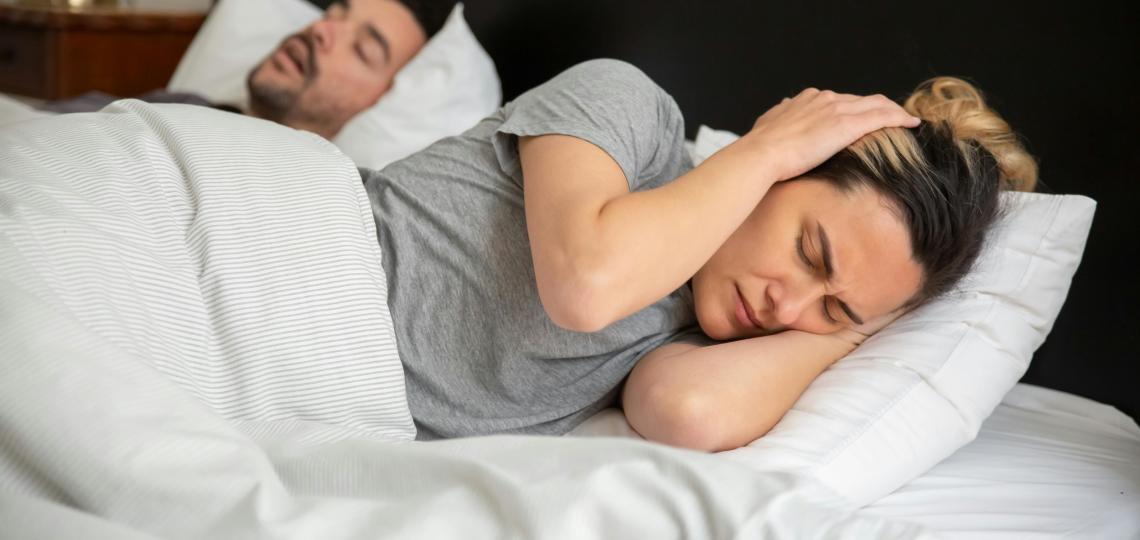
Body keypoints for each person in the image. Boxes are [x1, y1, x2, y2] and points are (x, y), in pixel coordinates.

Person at [360, 59, 1038, 450]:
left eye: (834, 306)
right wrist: (763, 149)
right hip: (282, 248)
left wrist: (857, 329)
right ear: (788, 167)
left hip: (305, 392)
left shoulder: (698, 338)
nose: (788, 305)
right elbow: (586, 286)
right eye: (809, 251)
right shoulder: (629, 114)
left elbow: (688, 413)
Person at [38, 0, 449, 140]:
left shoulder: (309, 198)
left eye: (361, 49)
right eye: (334, 13)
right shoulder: (184, 104)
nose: (322, 30)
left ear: (384, 101)